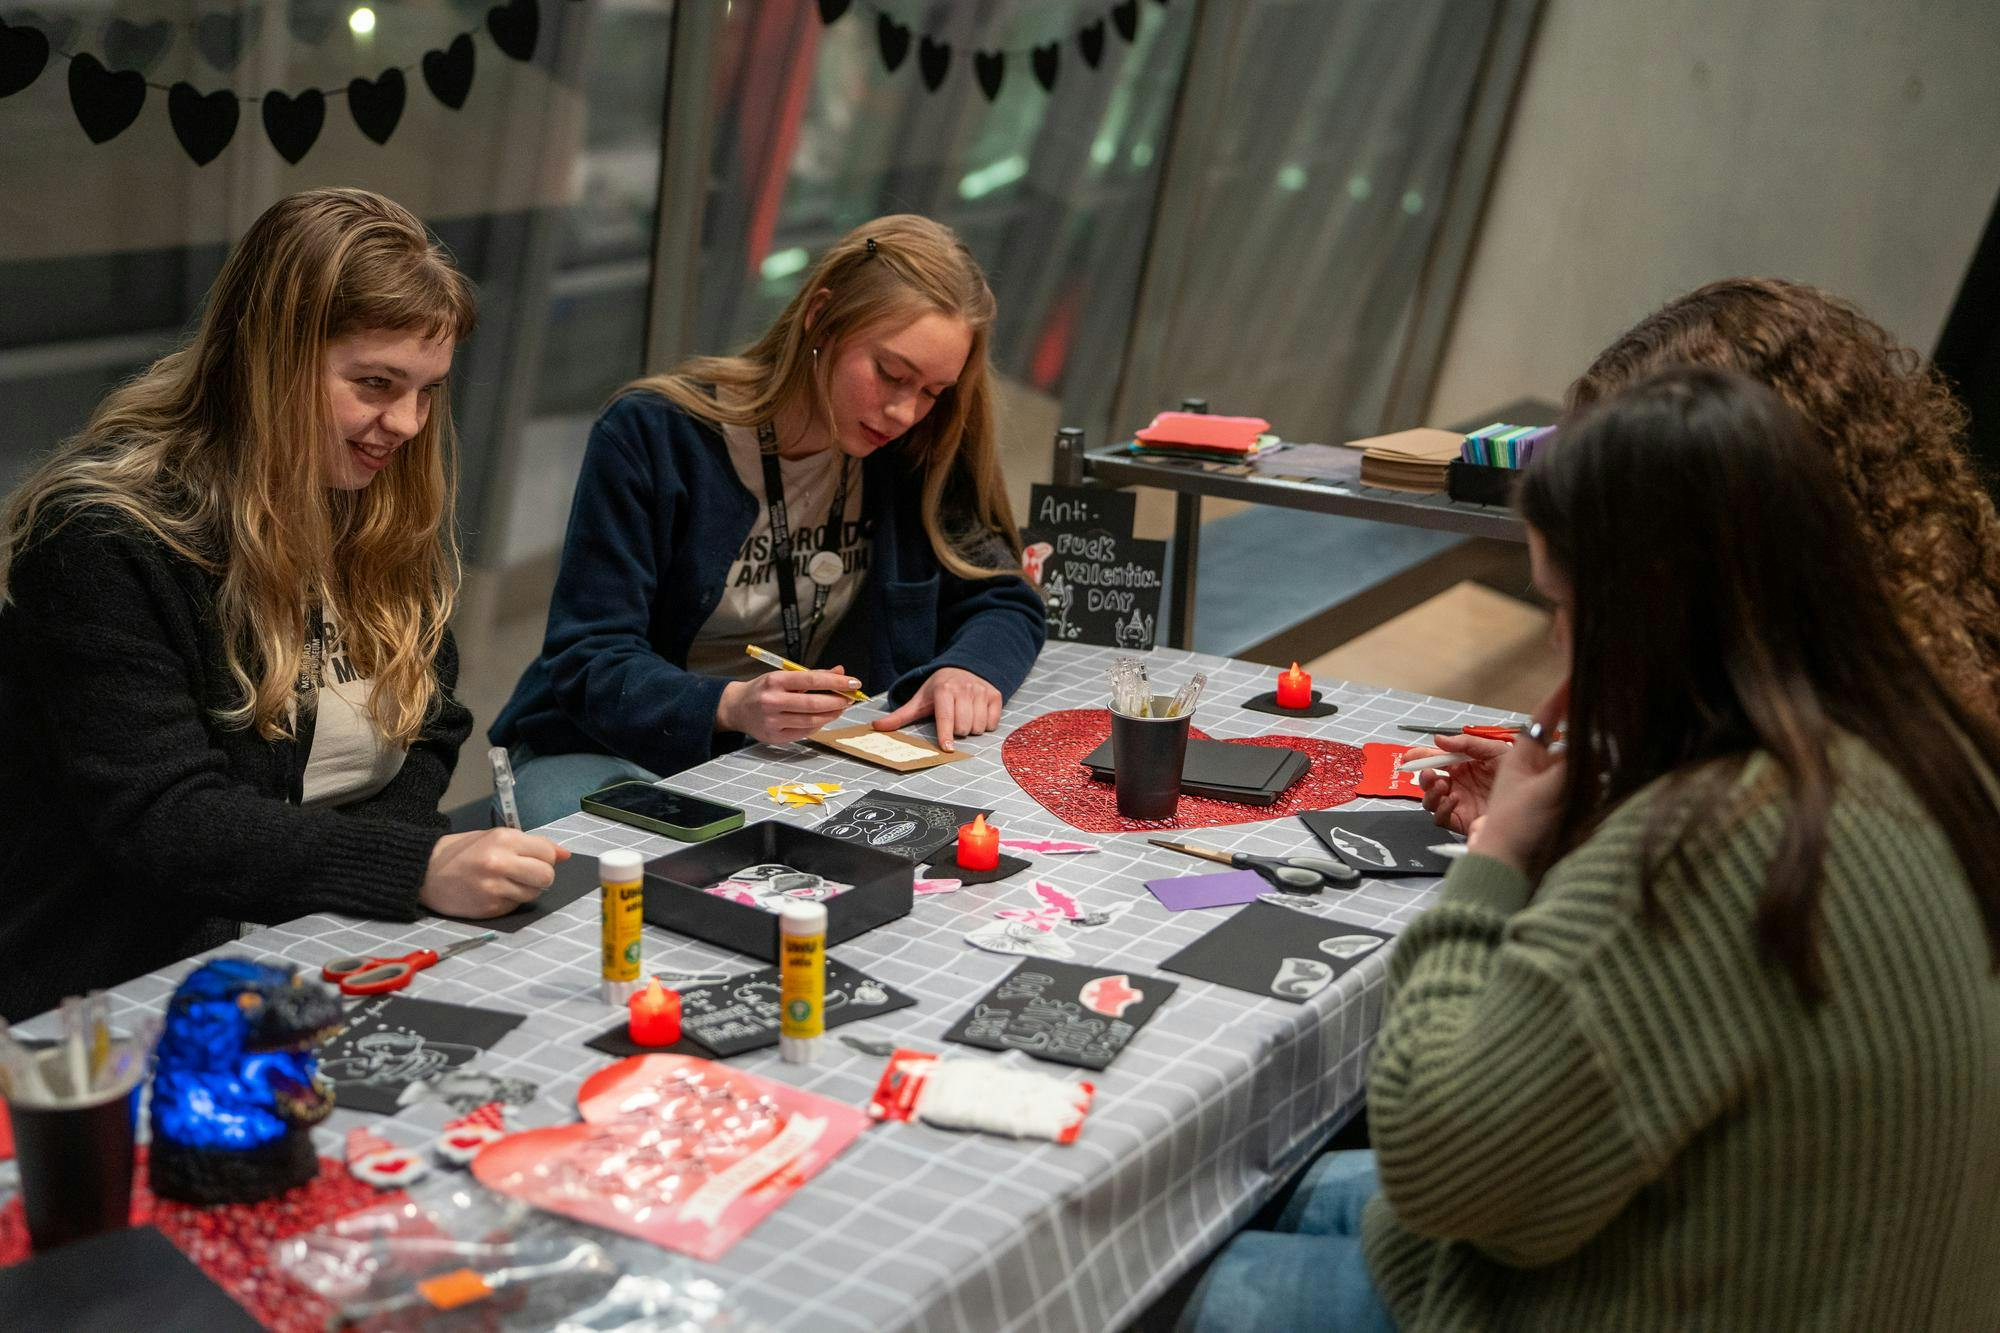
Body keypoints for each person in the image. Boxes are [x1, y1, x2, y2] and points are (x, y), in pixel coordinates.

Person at [1181, 368, 2000, 1331]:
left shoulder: (1709, 843)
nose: (1561, 642)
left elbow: (1441, 1167)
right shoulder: (1929, 750)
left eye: (1563, 607)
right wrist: (1584, 826)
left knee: (1200, 1280)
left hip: (1698, 1289)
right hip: (1835, 1266)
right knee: (1282, 1188)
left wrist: (1498, 857)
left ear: (1646, 614)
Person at [0, 189, 567, 1022]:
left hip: (316, 939)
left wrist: (367, 884)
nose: (406, 423)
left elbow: (430, 722)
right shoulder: (103, 539)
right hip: (119, 982)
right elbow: (166, 818)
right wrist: (409, 867)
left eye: (427, 390)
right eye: (375, 383)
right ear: (270, 359)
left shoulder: (370, 501)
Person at [490, 215, 1046, 828]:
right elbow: (587, 658)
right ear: (820, 317)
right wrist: (730, 705)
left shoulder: (912, 452)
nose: (903, 411)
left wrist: (970, 669)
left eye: (933, 392)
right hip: (604, 744)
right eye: (890, 373)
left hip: (780, 759)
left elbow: (1003, 596)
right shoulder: (655, 435)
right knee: (641, 879)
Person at [1420, 276, 2000, 831]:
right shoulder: (1877, 690)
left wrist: (1508, 854)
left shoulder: (1773, 798)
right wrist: (1577, 808)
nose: (1564, 632)